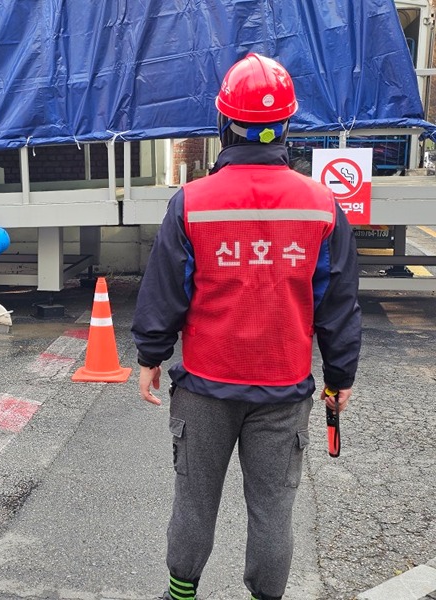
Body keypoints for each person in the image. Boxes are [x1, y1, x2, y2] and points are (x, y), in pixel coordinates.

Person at [131, 53, 361, 600]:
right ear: (286, 124)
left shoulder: (192, 203)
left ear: (224, 122)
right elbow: (338, 302)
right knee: (274, 510)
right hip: (283, 388)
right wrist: (340, 374)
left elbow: (166, 290)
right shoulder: (322, 205)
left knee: (194, 500)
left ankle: (180, 595)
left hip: (207, 385)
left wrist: (149, 357)